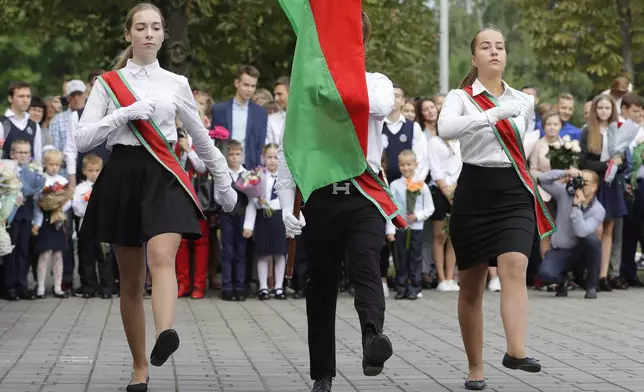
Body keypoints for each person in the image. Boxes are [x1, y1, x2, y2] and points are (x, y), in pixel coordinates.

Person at [73, 4, 236, 392]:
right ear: (128, 34)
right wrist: (121, 115)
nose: (149, 33)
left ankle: (165, 333)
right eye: (141, 27)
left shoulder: (176, 83)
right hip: (123, 175)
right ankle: (139, 368)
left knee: (162, 256)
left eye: (156, 27)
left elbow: (200, 137)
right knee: (130, 280)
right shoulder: (108, 83)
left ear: (163, 35)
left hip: (164, 174)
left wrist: (223, 180)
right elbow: (81, 140)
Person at [276, 11, 399, 392]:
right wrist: (284, 205)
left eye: (353, 35)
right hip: (321, 198)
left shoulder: (376, 81)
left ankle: (371, 338)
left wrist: (330, 83)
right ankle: (323, 374)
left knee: (366, 266)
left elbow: (375, 106)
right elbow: (290, 150)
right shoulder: (308, 88)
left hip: (364, 194)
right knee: (322, 283)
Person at [437, 26, 555, 391]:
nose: (494, 52)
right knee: (471, 284)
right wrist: (492, 114)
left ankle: (516, 351)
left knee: (515, 264)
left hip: (513, 190)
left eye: (500, 46)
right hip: (474, 190)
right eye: (485, 47)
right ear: (474, 58)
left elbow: (522, 147)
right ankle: (475, 367)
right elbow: (446, 129)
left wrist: (507, 110)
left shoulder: (523, 100)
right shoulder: (461, 96)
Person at [537, 168, 604, 298]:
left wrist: (576, 207)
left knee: (593, 242)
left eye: (584, 182)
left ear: (594, 187)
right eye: (578, 179)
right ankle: (562, 281)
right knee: (545, 275)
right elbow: (542, 180)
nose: (580, 184)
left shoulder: (598, 210)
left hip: (580, 253)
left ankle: (591, 286)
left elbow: (581, 231)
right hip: (561, 250)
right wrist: (565, 173)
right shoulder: (564, 193)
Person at [385, 150, 434, 299]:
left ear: (415, 165)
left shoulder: (422, 186)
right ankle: (401, 286)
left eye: (409, 164)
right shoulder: (394, 185)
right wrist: (390, 229)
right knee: (401, 257)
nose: (405, 168)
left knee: (415, 257)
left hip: (416, 228)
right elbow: (391, 209)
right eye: (402, 165)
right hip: (401, 227)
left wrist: (417, 216)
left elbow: (430, 208)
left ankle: (414, 286)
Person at [243, 144, 288, 300]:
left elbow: (290, 202)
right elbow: (251, 202)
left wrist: (291, 225)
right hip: (263, 217)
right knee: (262, 253)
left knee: (280, 253)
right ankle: (263, 287)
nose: (273, 161)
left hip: (279, 217)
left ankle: (279, 287)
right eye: (269, 157)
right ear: (263, 158)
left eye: (276, 157)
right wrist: (248, 225)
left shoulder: (285, 177)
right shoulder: (258, 176)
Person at [32, 149, 73, 299]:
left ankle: (58, 286)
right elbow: (38, 200)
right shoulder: (42, 180)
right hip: (45, 221)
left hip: (58, 221)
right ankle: (41, 287)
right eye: (51, 164)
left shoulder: (62, 182)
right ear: (45, 164)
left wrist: (59, 207)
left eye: (57, 164)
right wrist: (47, 205)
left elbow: (69, 201)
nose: (54, 167)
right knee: (45, 254)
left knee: (58, 254)